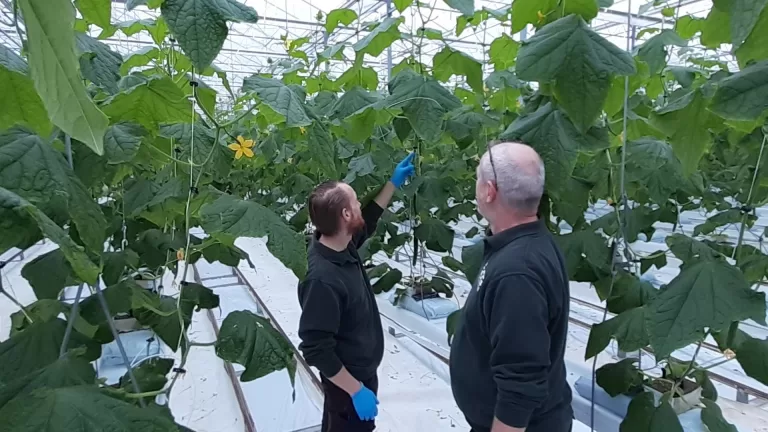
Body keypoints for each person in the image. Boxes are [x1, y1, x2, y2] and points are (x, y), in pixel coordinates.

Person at [449, 142, 572, 432]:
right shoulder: (528, 243)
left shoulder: (517, 273)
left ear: (490, 191)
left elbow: (521, 382)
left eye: (478, 179)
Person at [297, 153, 416, 432]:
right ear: (346, 215)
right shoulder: (322, 279)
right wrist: (355, 391)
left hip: (358, 375)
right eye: (355, 203)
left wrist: (392, 183)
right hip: (347, 383)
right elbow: (316, 348)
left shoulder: (338, 242)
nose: (360, 206)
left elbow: (369, 221)